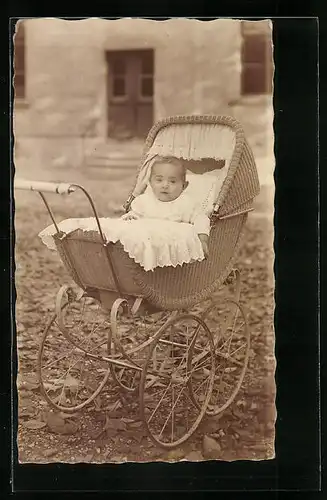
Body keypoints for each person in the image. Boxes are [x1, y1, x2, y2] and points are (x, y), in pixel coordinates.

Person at [122, 156, 210, 258]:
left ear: (184, 186)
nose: (165, 185)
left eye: (172, 181)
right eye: (159, 180)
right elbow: (134, 215)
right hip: (148, 251)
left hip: (175, 253)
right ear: (150, 182)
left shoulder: (186, 204)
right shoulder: (144, 202)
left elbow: (201, 219)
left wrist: (202, 239)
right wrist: (130, 218)